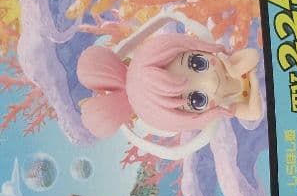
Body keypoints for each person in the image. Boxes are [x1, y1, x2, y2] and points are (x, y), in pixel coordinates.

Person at [77, 30, 264, 141]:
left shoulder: (226, 63)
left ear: (194, 46)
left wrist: (231, 69)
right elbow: (254, 113)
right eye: (197, 99)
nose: (211, 82)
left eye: (198, 63)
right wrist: (253, 82)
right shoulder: (226, 105)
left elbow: (253, 56)